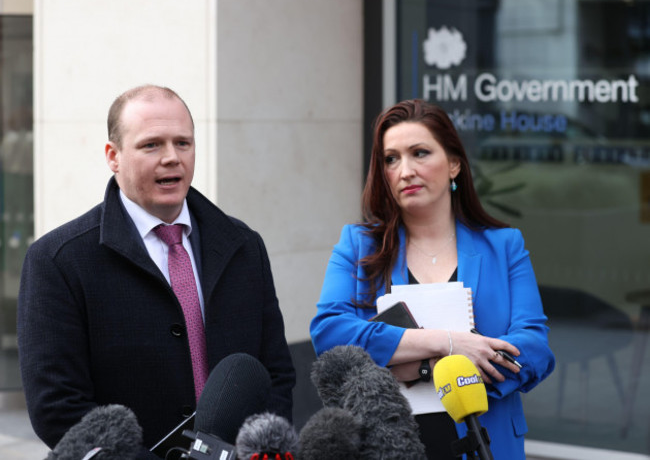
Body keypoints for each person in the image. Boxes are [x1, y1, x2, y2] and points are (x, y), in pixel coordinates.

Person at [17, 85, 295, 459]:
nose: (172, 158)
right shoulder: (57, 260)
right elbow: (57, 407)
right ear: (113, 156)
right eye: (152, 145)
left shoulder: (244, 246)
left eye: (183, 143)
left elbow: (275, 375)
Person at [310, 99, 555, 459]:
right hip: (387, 444)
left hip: (487, 440)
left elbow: (533, 349)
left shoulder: (504, 246)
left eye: (420, 153)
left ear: (454, 164)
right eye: (391, 159)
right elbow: (329, 333)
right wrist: (448, 344)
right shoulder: (358, 245)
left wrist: (420, 368)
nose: (405, 170)